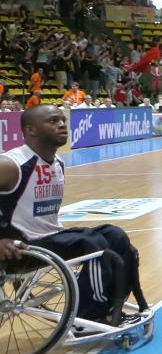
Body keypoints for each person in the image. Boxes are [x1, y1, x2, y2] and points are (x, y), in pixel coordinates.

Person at [0, 105, 143, 324]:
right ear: (31, 130)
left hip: (48, 238)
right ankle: (87, 314)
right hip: (22, 248)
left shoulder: (58, 162)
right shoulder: (12, 164)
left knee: (115, 235)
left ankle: (112, 304)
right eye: (52, 121)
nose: (61, 124)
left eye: (62, 120)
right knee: (93, 242)